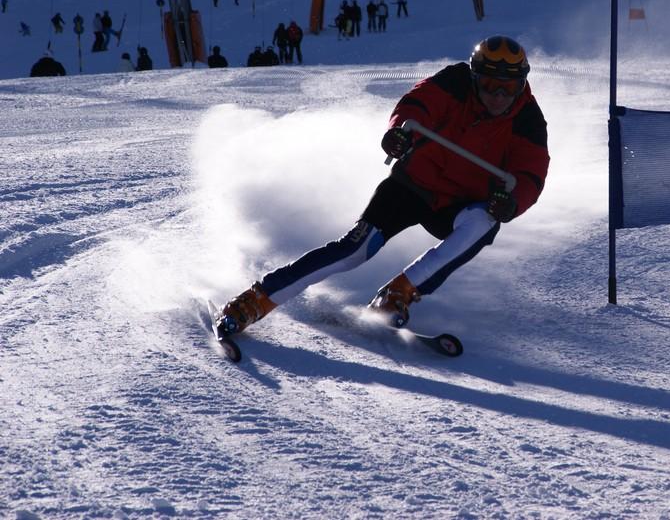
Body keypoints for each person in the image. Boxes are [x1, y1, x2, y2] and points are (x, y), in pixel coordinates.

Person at [213, 35, 549, 339]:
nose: (498, 96)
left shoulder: (528, 119)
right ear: (476, 77)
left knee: (485, 222)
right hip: (412, 184)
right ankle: (258, 298)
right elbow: (417, 105)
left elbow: (530, 172)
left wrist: (512, 202)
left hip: (459, 204)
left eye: (509, 87)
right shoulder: (456, 82)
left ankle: (399, 293)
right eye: (490, 84)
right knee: (356, 249)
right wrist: (400, 133)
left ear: (522, 85)